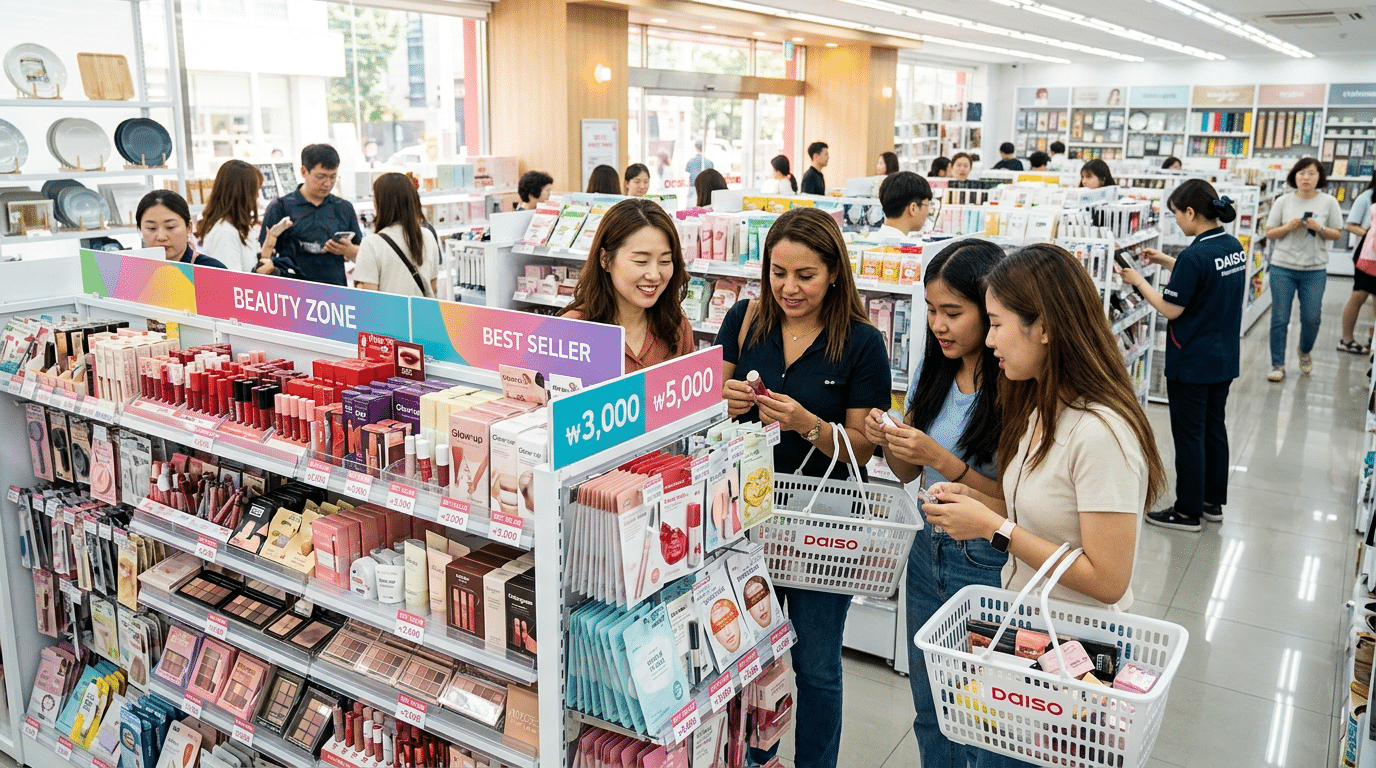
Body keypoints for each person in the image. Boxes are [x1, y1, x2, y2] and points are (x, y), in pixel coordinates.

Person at [715, 206, 891, 768]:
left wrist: (807, 424)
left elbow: (862, 449)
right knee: (744, 659)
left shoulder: (862, 343)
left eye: (805, 275)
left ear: (834, 272)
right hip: (745, 515)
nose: (789, 287)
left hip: (823, 524)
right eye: (778, 272)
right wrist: (725, 402)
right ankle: (749, 758)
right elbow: (710, 403)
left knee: (816, 665)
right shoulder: (745, 320)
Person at [923, 240, 1165, 623]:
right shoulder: (1039, 408)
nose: (989, 340)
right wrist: (975, 502)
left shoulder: (1101, 433)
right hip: (1026, 624)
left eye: (997, 324)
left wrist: (992, 527)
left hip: (1075, 640)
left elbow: (1108, 581)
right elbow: (1040, 520)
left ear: (1045, 328)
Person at [864, 239, 1006, 768]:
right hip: (927, 552)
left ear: (990, 309)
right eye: (930, 310)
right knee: (932, 709)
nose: (939, 325)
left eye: (953, 312)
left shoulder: (1014, 380)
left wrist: (940, 458)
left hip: (989, 559)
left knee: (987, 718)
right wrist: (890, 440)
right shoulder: (933, 368)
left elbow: (1015, 504)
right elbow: (908, 473)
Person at [1118, 181, 1243, 532]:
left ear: (1190, 212)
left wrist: (1138, 281)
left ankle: (1187, 511)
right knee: (1214, 429)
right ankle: (1211, 502)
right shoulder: (1231, 246)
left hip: (1192, 360)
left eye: (1175, 213)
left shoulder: (1194, 256)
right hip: (1223, 356)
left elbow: (1170, 308)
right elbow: (1206, 276)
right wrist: (1166, 260)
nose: (1175, 220)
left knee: (1190, 435)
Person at [558, 198, 693, 373]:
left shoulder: (677, 328)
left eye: (665, 261)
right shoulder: (568, 331)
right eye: (641, 261)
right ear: (605, 260)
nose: (654, 275)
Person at [1264, 157, 1345, 381]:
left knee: (1312, 318)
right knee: (1280, 318)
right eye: (1301, 173)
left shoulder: (1329, 202)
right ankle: (1278, 365)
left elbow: (1337, 233)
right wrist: (1287, 227)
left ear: (1319, 177)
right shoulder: (1283, 201)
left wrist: (1320, 228)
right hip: (1283, 267)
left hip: (1314, 269)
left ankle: (1305, 350)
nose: (1306, 177)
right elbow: (1270, 232)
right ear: (1294, 176)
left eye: (1311, 173)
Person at [259, 143, 362, 285]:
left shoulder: (344, 208)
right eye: (321, 176)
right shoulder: (280, 207)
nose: (327, 183)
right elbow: (263, 255)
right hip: (292, 289)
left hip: (334, 290)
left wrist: (349, 250)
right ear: (303, 171)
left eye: (333, 177)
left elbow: (361, 255)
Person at [352, 173, 439, 297]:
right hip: (422, 309)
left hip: (389, 310)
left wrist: (359, 286)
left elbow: (369, 298)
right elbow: (433, 287)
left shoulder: (371, 243)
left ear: (380, 203)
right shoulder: (427, 236)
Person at [198, 159, 266, 272]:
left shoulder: (237, 227)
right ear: (242, 193)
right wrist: (260, 274)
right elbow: (229, 281)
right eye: (255, 190)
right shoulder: (225, 232)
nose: (257, 196)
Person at [137, 190, 227, 269]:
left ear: (189, 228)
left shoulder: (213, 271)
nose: (161, 237)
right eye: (151, 228)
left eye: (170, 227)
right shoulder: (133, 271)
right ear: (140, 229)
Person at [1339, 170, 1376, 354]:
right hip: (1366, 255)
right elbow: (1350, 225)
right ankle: (1346, 339)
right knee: (1359, 295)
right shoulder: (1366, 197)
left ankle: (1373, 340)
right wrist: (1370, 234)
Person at [874, 171, 932, 239]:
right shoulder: (909, 245)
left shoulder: (870, 239)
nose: (928, 211)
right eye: (927, 205)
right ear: (913, 208)